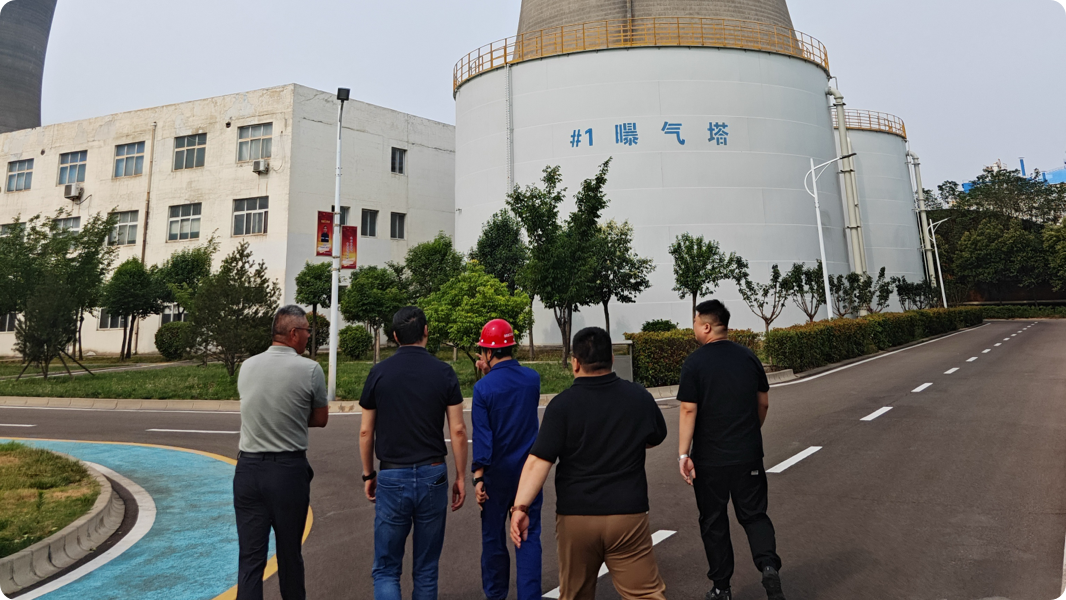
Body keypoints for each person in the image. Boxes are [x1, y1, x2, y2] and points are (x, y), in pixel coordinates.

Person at [510, 326, 668, 600]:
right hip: (628, 514)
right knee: (645, 595)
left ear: (575, 362)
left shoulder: (562, 405)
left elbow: (538, 461)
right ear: (612, 359)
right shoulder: (638, 396)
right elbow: (656, 437)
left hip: (576, 516)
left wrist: (520, 507)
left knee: (575, 594)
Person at [677, 300, 786, 600]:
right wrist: (750, 431)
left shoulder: (695, 363)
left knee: (714, 521)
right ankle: (768, 566)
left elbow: (688, 409)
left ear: (706, 326)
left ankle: (722, 588)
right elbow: (763, 402)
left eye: (695, 322)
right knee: (754, 515)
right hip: (747, 454)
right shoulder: (748, 357)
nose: (693, 328)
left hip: (709, 459)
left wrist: (684, 454)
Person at [359, 306, 468, 600]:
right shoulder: (444, 372)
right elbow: (458, 430)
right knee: (426, 569)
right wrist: (460, 476)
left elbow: (366, 432)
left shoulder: (379, 373)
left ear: (395, 336)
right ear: (426, 331)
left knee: (386, 569)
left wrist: (369, 474)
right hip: (434, 473)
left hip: (392, 475)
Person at [234, 305, 329, 600]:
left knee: (250, 560)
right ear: (293, 333)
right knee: (289, 556)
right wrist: (292, 416)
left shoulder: (247, 366)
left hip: (247, 471)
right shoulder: (310, 369)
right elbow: (321, 418)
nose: (309, 336)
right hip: (287, 472)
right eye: (307, 331)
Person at [471, 319, 543, 600]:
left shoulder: (483, 389)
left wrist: (478, 477)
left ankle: (496, 594)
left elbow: (483, 438)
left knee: (493, 538)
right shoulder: (532, 379)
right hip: (528, 474)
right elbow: (512, 386)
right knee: (528, 536)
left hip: (496, 474)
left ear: (488, 352)